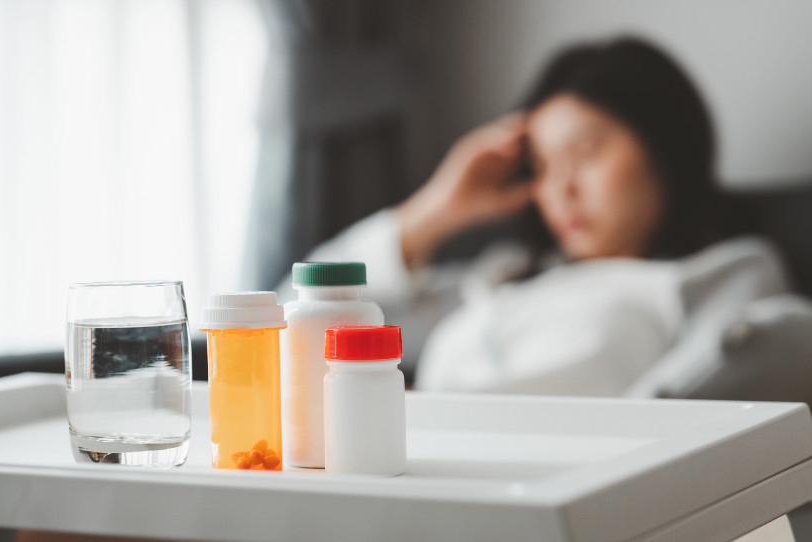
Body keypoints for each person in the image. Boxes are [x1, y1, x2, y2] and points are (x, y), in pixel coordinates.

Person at [278, 36, 788, 396]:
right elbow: (293, 321)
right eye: (543, 165)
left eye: (586, 151)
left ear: (667, 148)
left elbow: (694, 415)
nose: (561, 187)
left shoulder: (724, 274)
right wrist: (434, 209)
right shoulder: (498, 277)